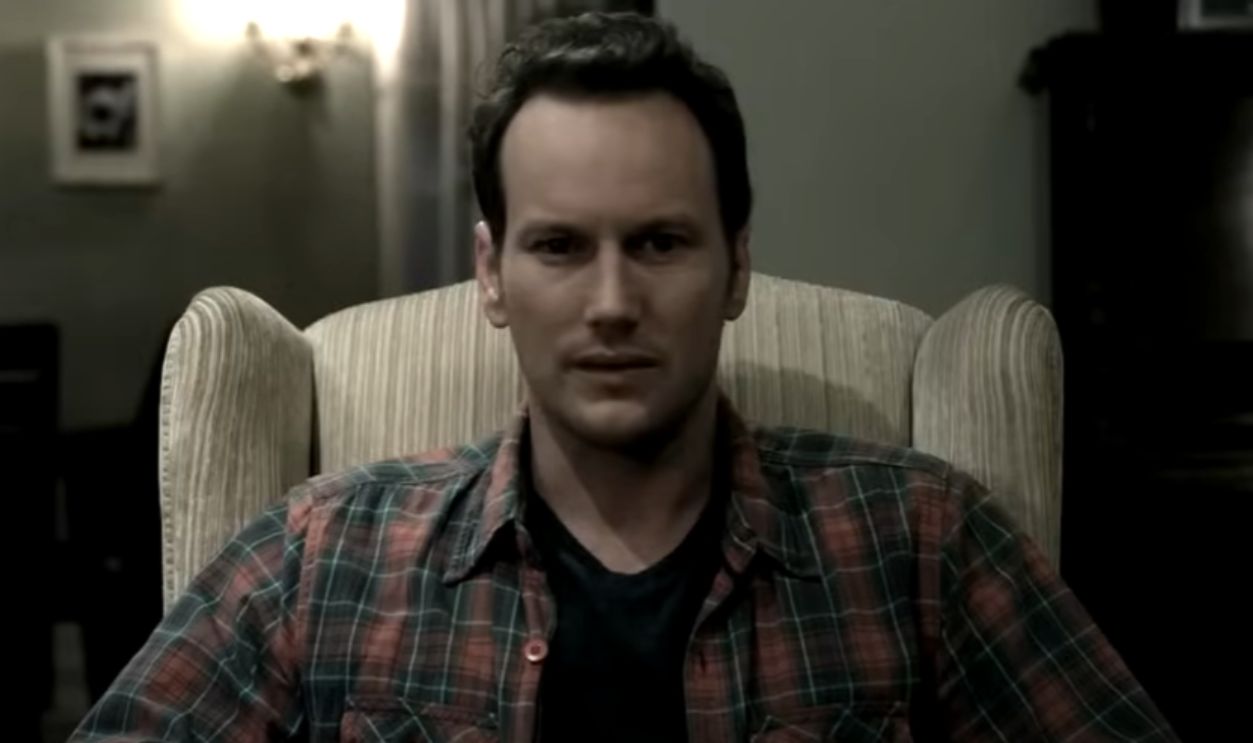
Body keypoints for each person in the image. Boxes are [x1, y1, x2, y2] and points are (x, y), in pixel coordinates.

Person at [71, 12, 1176, 742]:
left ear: (735, 265)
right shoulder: (324, 553)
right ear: (491, 273)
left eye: (658, 242)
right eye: (559, 247)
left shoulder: (920, 538)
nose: (610, 301)